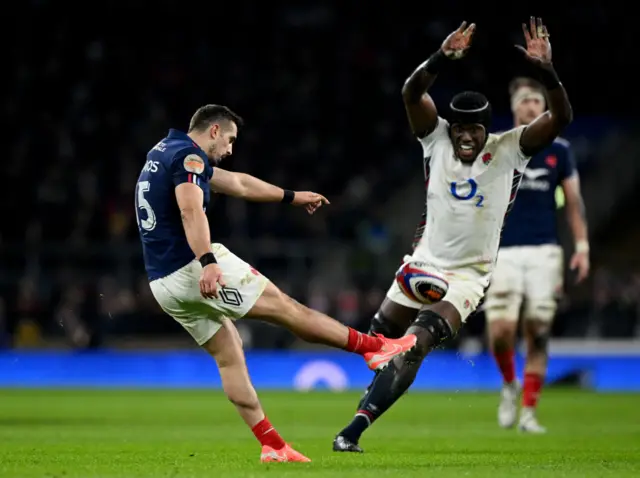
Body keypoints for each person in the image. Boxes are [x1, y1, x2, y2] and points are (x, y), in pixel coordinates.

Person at [332, 17, 573, 453]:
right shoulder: (435, 137)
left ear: (486, 130)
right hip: (423, 262)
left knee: (414, 345)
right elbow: (410, 93)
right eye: (458, 128)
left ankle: (352, 431)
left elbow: (561, 118)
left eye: (472, 129)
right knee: (380, 334)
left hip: (468, 277)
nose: (463, 136)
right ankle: (377, 392)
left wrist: (547, 71)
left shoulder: (511, 148)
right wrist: (441, 57)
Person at [135, 104, 417, 463]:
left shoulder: (165, 152)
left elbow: (237, 182)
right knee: (287, 309)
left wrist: (291, 196)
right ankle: (371, 347)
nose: (231, 150)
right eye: (231, 140)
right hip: (191, 265)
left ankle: (273, 444)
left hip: (162, 283)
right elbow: (191, 211)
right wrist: (207, 262)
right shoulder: (190, 159)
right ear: (215, 131)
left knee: (229, 356)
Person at [483, 77, 589, 433]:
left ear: (544, 107)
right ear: (514, 109)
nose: (530, 106)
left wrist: (582, 247)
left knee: (538, 331)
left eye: (536, 101)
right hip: (504, 252)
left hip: (545, 250)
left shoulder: (560, 150)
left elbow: (573, 202)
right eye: (524, 101)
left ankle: (528, 412)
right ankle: (510, 384)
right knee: (500, 332)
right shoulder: (498, 147)